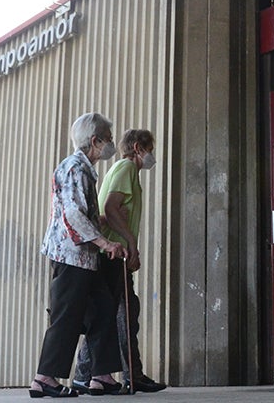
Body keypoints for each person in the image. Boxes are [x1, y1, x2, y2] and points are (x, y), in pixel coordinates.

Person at [29, 112, 127, 398]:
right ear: (95, 141)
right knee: (67, 316)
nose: (111, 144)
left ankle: (101, 376)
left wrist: (100, 234)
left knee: (103, 309)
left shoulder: (83, 169)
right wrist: (105, 243)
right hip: (70, 256)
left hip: (85, 257)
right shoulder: (75, 168)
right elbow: (73, 214)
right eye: (108, 139)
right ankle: (44, 379)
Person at [71, 129, 168, 394]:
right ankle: (98, 374)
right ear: (138, 148)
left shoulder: (124, 171)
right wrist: (131, 244)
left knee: (123, 314)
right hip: (112, 255)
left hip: (114, 254)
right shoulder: (126, 168)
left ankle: (122, 374)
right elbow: (111, 209)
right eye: (150, 150)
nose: (152, 156)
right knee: (117, 316)